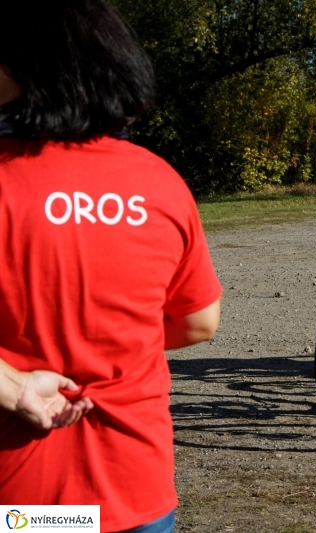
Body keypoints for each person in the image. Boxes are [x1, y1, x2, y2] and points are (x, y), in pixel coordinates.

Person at [0, 2, 223, 532]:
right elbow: (199, 321)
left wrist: (14, 389)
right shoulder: (161, 183)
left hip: (23, 503)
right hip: (136, 491)